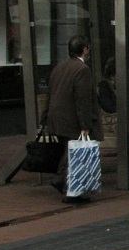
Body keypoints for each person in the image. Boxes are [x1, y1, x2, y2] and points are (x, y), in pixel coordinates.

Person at [45, 35, 104, 204]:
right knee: (75, 153)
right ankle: (68, 187)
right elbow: (83, 99)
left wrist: (45, 118)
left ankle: (65, 183)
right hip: (72, 119)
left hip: (57, 119)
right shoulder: (82, 70)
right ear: (85, 50)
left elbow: (51, 94)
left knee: (69, 151)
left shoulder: (59, 68)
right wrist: (85, 125)